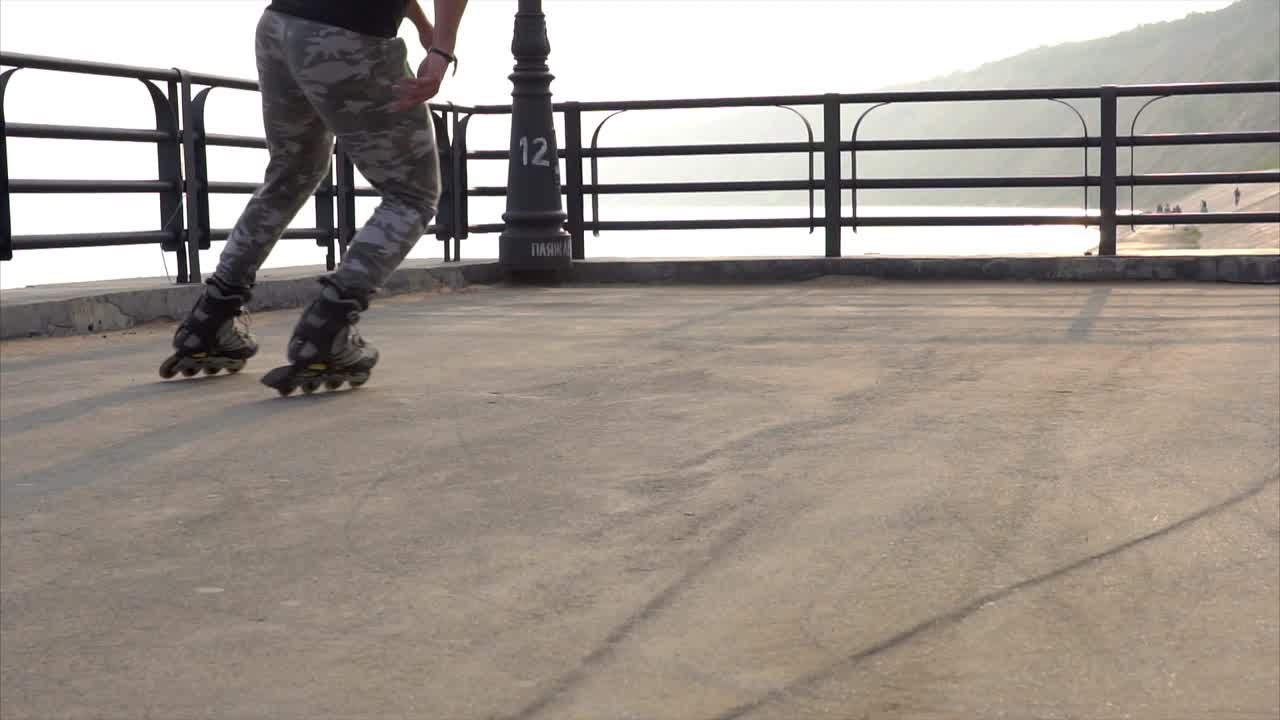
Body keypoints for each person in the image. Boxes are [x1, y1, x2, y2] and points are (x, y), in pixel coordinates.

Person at [159, 0, 469, 394]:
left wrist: (422, 24)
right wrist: (441, 50)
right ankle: (328, 327)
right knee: (413, 194)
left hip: (280, 28)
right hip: (350, 33)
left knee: (291, 171)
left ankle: (210, 318)